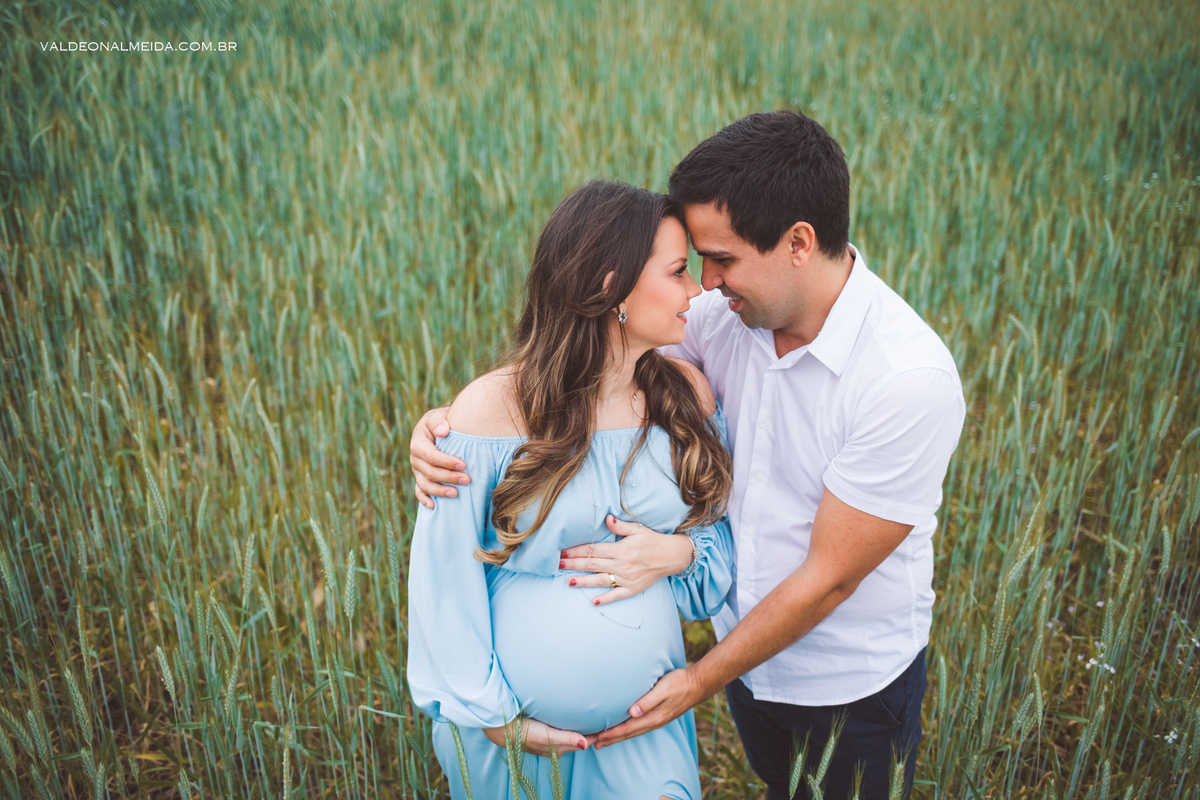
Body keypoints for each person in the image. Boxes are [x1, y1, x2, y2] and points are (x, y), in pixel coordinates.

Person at [410, 110, 967, 800]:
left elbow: (829, 578)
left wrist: (701, 677)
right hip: (743, 662)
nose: (706, 283)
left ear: (799, 243)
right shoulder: (720, 319)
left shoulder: (905, 380)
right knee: (775, 783)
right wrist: (446, 427)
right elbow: (590, 359)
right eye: (693, 263)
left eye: (723, 259)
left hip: (844, 675)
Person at [406, 179, 738, 799]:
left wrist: (680, 553)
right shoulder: (490, 411)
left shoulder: (686, 398)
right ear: (612, 287)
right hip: (505, 743)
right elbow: (442, 581)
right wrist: (495, 720)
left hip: (644, 732)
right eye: (677, 272)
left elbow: (718, 545)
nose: (697, 289)